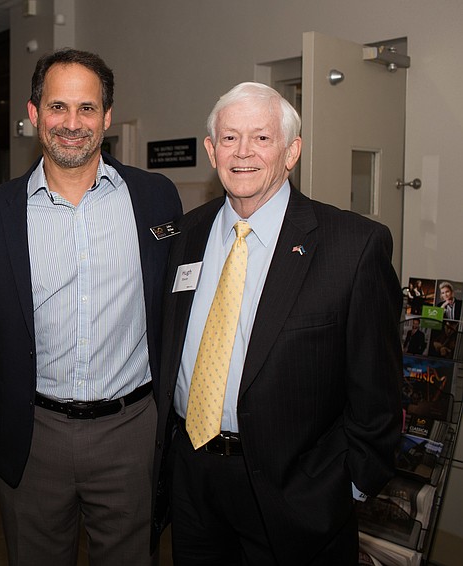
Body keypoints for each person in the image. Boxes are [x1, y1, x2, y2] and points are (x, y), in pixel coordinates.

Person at [156, 82, 401, 565]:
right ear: (211, 150)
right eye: (229, 138)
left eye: (261, 138)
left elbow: (378, 391)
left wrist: (347, 487)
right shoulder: (185, 236)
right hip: (193, 481)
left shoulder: (352, 247)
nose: (243, 152)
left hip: (298, 494)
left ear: (291, 152)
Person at [0, 49, 182, 565]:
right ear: (34, 114)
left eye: (87, 109)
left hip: (130, 432)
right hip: (33, 434)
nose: (72, 123)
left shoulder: (155, 198)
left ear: (107, 117)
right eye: (57, 107)